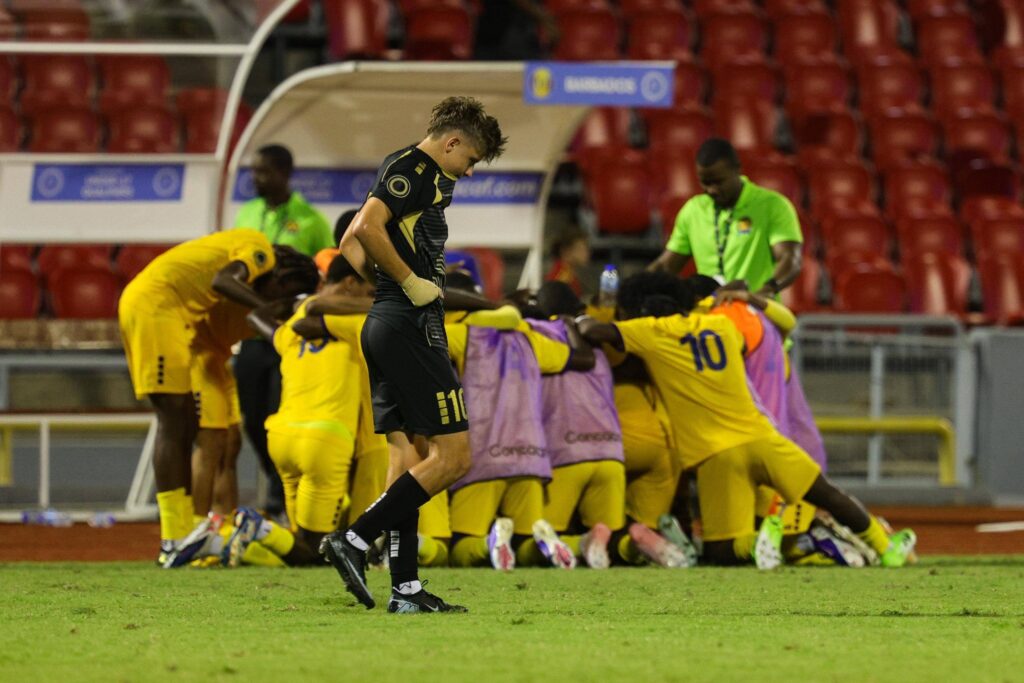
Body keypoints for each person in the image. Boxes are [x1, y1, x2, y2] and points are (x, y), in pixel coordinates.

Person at [576, 272, 918, 569]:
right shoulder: (724, 324)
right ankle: (886, 547)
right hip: (761, 435)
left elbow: (597, 331)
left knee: (720, 550)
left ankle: (756, 543)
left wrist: (581, 319)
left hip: (715, 454)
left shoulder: (650, 331)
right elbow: (780, 324)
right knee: (826, 493)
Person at [321, 96, 506, 613]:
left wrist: (387, 290)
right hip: (409, 327)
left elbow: (351, 248)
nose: (468, 172)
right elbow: (363, 231)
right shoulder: (414, 169)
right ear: (452, 143)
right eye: (469, 159)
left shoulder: (412, 172)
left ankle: (404, 590)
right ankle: (354, 541)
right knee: (453, 457)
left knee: (409, 459)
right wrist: (407, 284)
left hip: (389, 322)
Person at [117, 231, 319, 566]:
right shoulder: (259, 250)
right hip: (159, 308)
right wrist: (269, 308)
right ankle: (180, 534)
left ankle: (190, 533)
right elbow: (224, 281)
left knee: (197, 430)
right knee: (176, 423)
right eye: (286, 289)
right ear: (284, 274)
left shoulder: (247, 266)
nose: (279, 297)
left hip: (189, 332)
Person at [225, 255, 375, 567]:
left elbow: (258, 316)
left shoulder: (293, 329)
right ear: (351, 283)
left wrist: (300, 302)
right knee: (320, 553)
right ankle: (261, 528)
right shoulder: (355, 323)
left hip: (281, 436)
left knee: (300, 543)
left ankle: (246, 547)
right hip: (324, 439)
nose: (371, 297)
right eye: (370, 290)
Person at [233, 144, 335, 520]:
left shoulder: (311, 220)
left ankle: (283, 492)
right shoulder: (246, 213)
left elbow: (326, 276)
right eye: (255, 171)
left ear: (284, 174)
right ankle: (276, 479)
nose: (257, 178)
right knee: (252, 416)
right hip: (251, 333)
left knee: (283, 412)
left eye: (264, 172)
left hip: (290, 335)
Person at [649, 138, 803, 298]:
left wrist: (765, 291)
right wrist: (633, 290)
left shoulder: (772, 205)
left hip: (757, 314)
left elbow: (789, 258)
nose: (711, 190)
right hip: (712, 315)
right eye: (705, 183)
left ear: (737, 169)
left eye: (718, 182)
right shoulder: (693, 211)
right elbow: (665, 267)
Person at [544, 225, 590, 297]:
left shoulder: (568, 272)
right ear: (566, 252)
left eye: (586, 248)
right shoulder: (563, 276)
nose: (586, 253)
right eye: (580, 249)